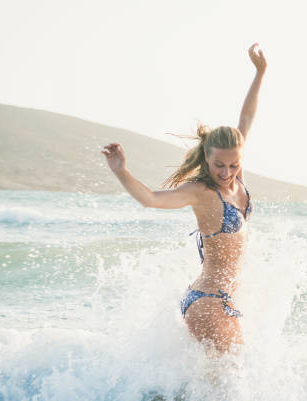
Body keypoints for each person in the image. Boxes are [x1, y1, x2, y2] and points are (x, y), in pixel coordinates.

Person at [101, 43, 266, 355]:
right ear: (206, 156)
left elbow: (246, 118)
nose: (227, 172)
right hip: (207, 301)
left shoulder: (236, 175)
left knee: (219, 383)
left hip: (224, 301)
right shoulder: (201, 192)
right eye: (219, 165)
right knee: (232, 379)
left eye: (233, 165)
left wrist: (260, 73)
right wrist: (121, 171)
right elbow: (150, 199)